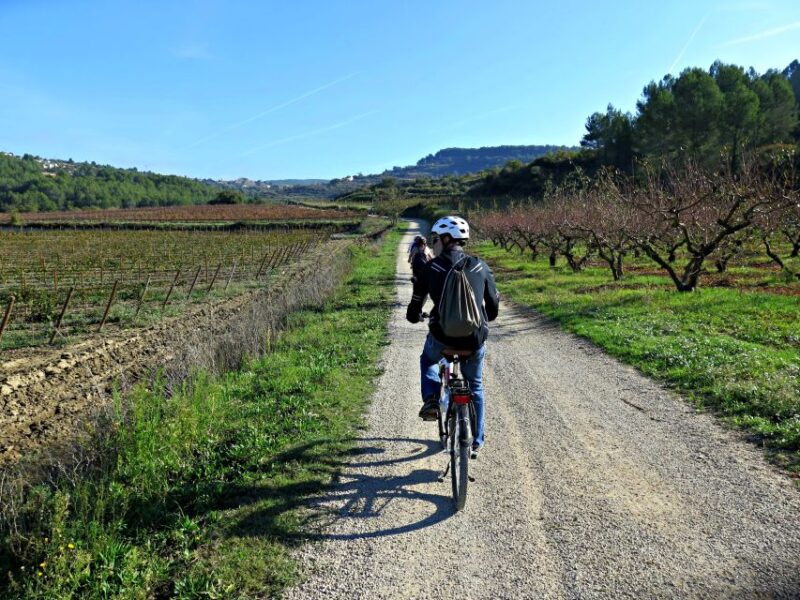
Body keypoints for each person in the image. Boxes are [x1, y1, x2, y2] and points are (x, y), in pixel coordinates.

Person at [406, 216, 500, 457]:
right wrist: (483, 318)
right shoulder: (480, 266)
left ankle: (431, 399)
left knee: (428, 360)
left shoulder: (432, 268)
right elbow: (493, 307)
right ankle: (476, 440)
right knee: (475, 385)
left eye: (436, 239)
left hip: (442, 338)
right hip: (474, 339)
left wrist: (415, 316)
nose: (434, 244)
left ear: (447, 239)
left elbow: (415, 305)